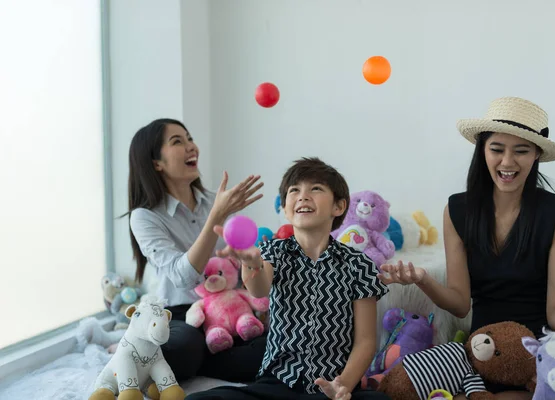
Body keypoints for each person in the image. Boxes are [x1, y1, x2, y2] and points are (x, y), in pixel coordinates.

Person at [378, 97, 555, 399]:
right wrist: (422, 279)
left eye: (521, 151)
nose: (507, 162)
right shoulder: (457, 209)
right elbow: (459, 303)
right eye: (497, 149)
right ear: (482, 150)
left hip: (539, 351)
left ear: (535, 155)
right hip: (483, 349)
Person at [186, 157, 391, 400]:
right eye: (295, 191)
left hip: (332, 388)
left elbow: (366, 341)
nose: (303, 196)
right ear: (285, 209)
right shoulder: (274, 251)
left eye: (315, 188)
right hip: (277, 384)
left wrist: (342, 385)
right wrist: (250, 262)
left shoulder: (360, 265)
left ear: (339, 206)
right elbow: (259, 288)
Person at [126, 118, 267, 383]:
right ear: (156, 162)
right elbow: (183, 277)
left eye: (190, 138)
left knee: (271, 345)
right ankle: (138, 345)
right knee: (184, 347)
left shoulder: (216, 203)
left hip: (224, 310)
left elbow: (239, 266)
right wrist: (217, 214)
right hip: (175, 315)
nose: (192, 147)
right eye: (178, 141)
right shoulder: (144, 217)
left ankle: (206, 353)